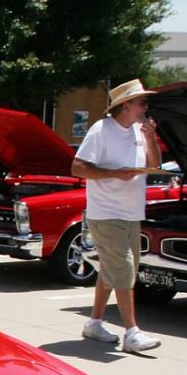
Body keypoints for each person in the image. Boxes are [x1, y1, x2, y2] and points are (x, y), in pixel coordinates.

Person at [71, 79, 162, 354]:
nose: (146, 107)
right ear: (125, 106)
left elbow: (154, 165)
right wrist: (115, 174)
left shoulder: (138, 131)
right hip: (106, 213)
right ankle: (132, 333)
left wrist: (150, 138)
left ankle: (94, 323)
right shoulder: (102, 130)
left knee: (113, 269)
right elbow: (77, 167)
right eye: (142, 102)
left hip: (131, 213)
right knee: (123, 269)